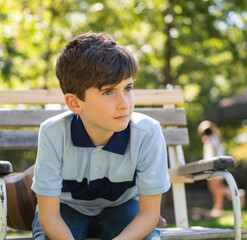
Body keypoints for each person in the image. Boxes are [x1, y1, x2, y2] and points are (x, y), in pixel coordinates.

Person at [31, 32, 171, 240]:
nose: (125, 103)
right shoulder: (53, 133)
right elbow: (49, 214)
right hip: (65, 209)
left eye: (128, 88)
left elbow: (149, 213)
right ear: (75, 103)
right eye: (108, 92)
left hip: (121, 207)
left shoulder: (147, 133)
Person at [197, 120, 232, 217]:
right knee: (215, 189)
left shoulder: (211, 139)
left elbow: (213, 151)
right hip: (218, 165)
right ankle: (218, 208)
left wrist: (210, 165)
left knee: (214, 187)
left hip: (215, 166)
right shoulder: (215, 138)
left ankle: (231, 192)